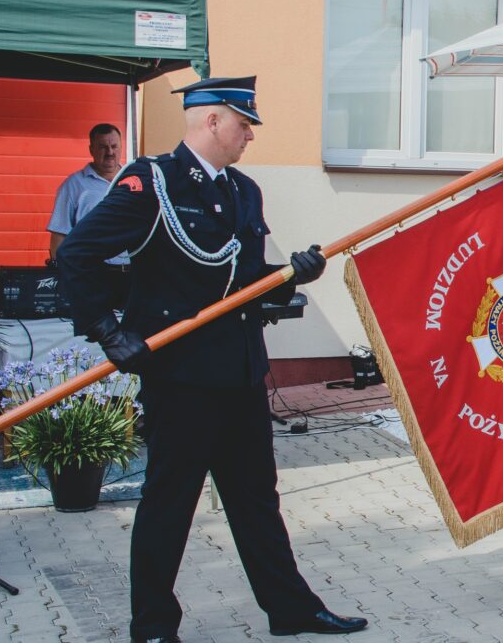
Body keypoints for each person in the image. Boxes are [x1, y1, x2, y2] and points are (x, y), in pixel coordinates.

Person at [57, 76, 368, 642]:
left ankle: (290, 609)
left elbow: (241, 280)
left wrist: (290, 275)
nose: (250, 135)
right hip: (181, 377)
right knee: (170, 503)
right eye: (244, 124)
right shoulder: (151, 182)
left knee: (257, 500)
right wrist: (107, 331)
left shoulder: (245, 191)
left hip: (240, 370)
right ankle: (153, 626)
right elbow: (76, 254)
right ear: (212, 120)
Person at [47, 123, 127, 262]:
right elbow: (59, 234)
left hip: (132, 271)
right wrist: (59, 269)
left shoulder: (134, 180)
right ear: (91, 150)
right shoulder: (73, 185)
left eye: (114, 146)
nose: (110, 152)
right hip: (89, 270)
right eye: (103, 147)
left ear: (121, 147)